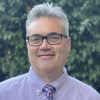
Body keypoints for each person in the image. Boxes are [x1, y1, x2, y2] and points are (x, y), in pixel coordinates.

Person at [0, 3, 100, 100]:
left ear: (68, 44)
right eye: (36, 39)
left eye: (53, 38)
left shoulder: (91, 97)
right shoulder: (3, 94)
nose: (44, 46)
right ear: (27, 45)